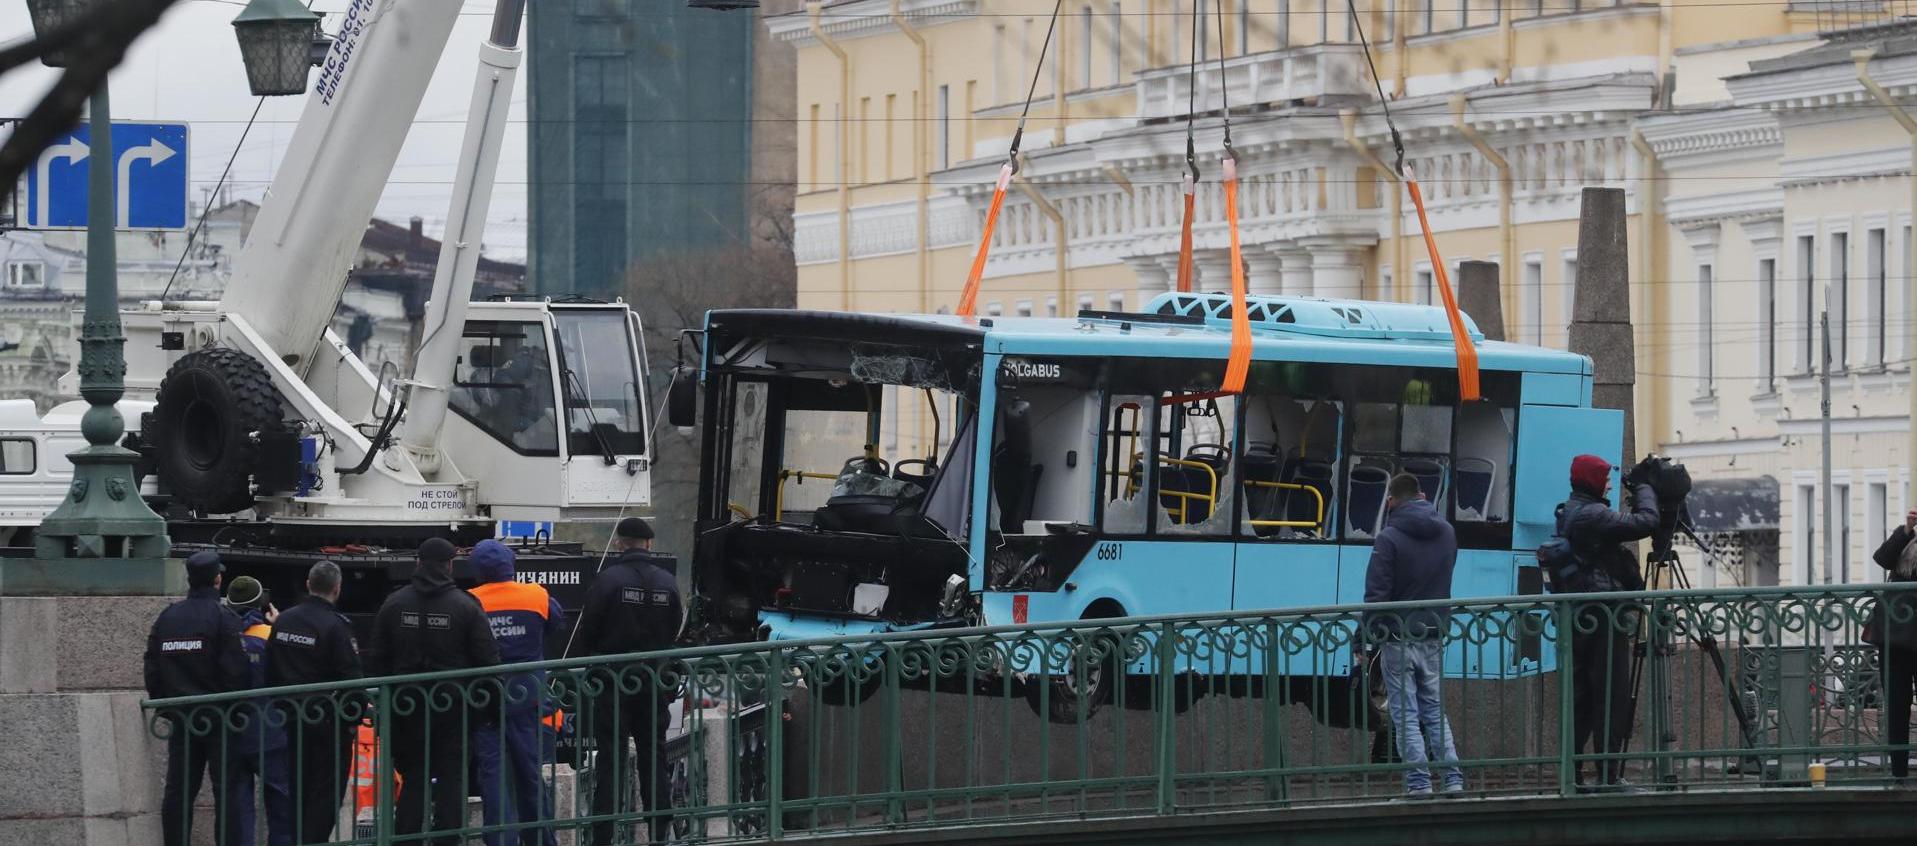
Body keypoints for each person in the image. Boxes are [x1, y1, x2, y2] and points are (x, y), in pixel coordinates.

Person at [366, 538, 500, 845]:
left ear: (418, 563)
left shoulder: (395, 603)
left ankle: (406, 841)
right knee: (452, 780)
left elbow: (377, 659)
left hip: (406, 707)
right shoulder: (466, 606)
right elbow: (488, 662)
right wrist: (491, 712)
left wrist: (385, 706)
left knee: (414, 778)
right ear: (450, 565)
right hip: (453, 709)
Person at [573, 517, 682, 845]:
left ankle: (604, 834)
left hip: (614, 681)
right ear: (648, 543)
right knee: (654, 757)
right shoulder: (667, 582)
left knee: (611, 758)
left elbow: (588, 628)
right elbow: (675, 625)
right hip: (652, 682)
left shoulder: (608, 580)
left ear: (620, 543)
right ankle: (659, 832)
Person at [1557, 454, 1658, 792]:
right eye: (1605, 478)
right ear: (1591, 480)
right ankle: (1609, 776)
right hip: (1603, 615)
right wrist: (1644, 488)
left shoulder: (1572, 509)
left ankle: (1572, 775)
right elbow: (1647, 522)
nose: (1611, 484)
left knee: (1584, 697)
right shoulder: (1593, 514)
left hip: (1583, 613)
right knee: (1610, 695)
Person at [1364, 473, 1464, 797]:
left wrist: (1362, 638)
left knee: (1404, 713)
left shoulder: (1388, 538)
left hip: (1396, 637)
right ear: (1422, 495)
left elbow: (1376, 596)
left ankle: (1418, 784)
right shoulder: (1448, 533)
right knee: (1434, 709)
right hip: (1433, 634)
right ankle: (1452, 779)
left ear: (1391, 501)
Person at [145, 550, 249, 846]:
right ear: (218, 579)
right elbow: (236, 673)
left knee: (179, 791)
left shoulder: (168, 617)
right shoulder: (223, 617)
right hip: (220, 720)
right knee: (227, 792)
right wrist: (236, 711)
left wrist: (168, 706)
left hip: (183, 717)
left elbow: (152, 668)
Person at [467, 540, 564, 846]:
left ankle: (501, 841)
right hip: (528, 696)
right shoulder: (535, 595)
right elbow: (556, 624)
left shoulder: (470, 600)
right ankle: (540, 839)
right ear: (511, 565)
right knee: (530, 772)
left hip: (486, 699)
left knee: (493, 774)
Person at [265, 560, 364, 844]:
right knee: (325, 798)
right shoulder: (337, 626)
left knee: (297, 793)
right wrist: (351, 720)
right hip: (327, 727)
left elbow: (270, 671)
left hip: (291, 722)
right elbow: (352, 681)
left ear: (309, 585)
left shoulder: (284, 620)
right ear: (337, 589)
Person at [223, 576, 293, 846]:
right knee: (282, 810)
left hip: (232, 732)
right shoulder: (269, 637)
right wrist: (279, 624)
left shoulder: (225, 637)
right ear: (261, 603)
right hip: (270, 733)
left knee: (239, 814)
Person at [1871, 508, 1917, 782]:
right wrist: (1906, 529)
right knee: (1897, 702)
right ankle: (1898, 768)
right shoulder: (1905, 537)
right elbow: (1883, 559)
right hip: (1896, 630)